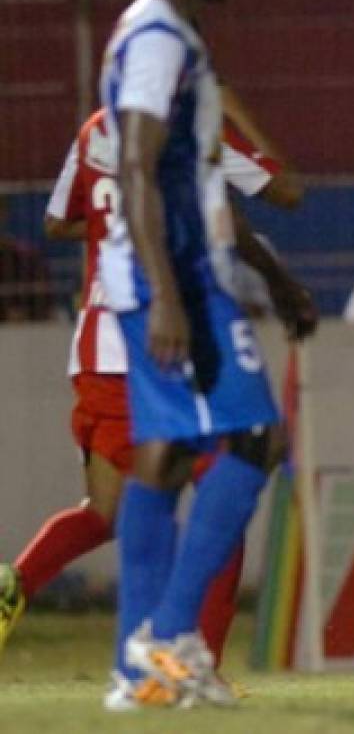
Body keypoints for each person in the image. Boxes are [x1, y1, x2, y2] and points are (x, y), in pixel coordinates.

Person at [95, 0, 314, 710]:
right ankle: (170, 634)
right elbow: (137, 167)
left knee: (171, 453)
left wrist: (268, 277)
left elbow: (192, 174)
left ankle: (134, 667)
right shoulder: (156, 38)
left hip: (178, 271)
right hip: (172, 276)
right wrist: (166, 295)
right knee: (257, 434)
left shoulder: (167, 32)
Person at [0, 93, 303, 666]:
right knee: (225, 498)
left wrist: (116, 230)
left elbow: (57, 220)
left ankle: (16, 582)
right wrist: (234, 108)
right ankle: (195, 663)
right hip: (173, 345)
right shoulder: (194, 130)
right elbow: (285, 189)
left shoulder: (95, 130)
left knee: (104, 513)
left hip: (103, 348)